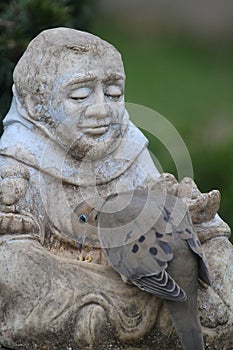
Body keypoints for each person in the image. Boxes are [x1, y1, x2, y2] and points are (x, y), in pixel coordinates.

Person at [0, 28, 232, 350]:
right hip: (70, 282)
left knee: (221, 256)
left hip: (144, 277)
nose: (101, 110)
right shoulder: (19, 159)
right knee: (11, 267)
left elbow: (166, 215)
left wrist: (190, 211)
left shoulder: (127, 146)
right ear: (36, 103)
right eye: (80, 97)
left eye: (113, 93)